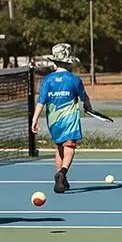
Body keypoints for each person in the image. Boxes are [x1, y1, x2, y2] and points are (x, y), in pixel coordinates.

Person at [31, 43, 98, 193]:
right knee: (69, 147)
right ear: (68, 62)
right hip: (69, 119)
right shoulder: (74, 79)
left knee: (59, 148)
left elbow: (41, 101)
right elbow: (84, 97)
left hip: (53, 120)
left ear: (55, 61)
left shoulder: (47, 80)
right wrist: (88, 107)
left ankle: (62, 181)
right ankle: (62, 173)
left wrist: (34, 120)